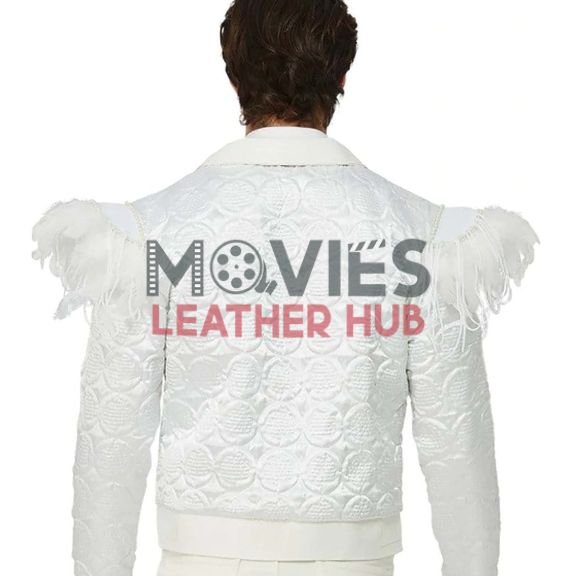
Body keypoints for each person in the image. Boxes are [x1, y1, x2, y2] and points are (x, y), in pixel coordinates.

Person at [31, 1, 540, 575]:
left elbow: (111, 443)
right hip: (356, 559)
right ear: (342, 74)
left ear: (234, 76)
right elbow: (457, 445)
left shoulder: (149, 235)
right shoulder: (424, 239)